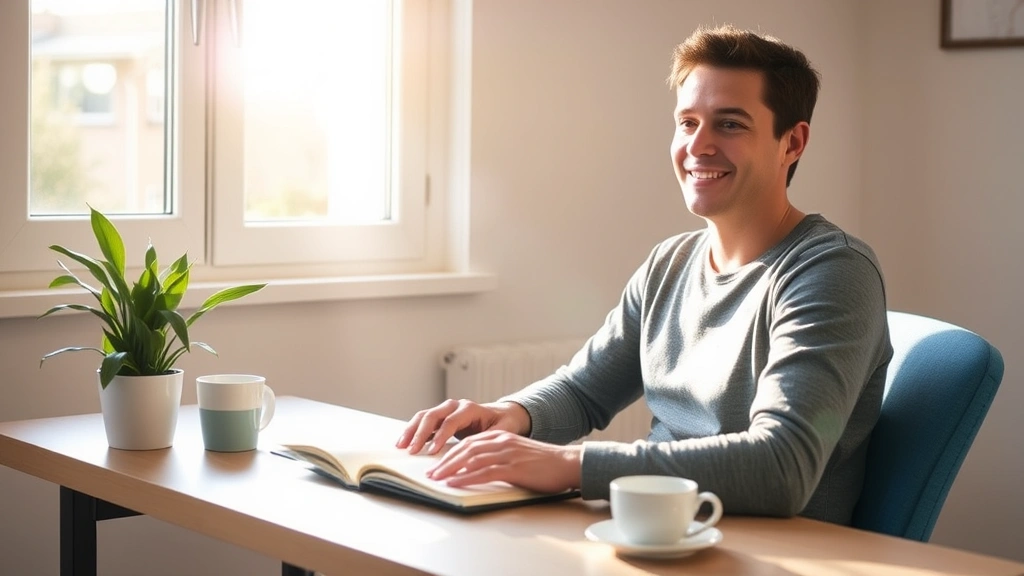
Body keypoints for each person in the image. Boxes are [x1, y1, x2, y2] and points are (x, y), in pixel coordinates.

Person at [396, 24, 892, 525]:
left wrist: (572, 464)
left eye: (731, 124)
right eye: (688, 122)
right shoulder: (669, 264)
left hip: (772, 553)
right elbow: (584, 391)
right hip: (655, 531)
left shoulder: (831, 271)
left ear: (792, 143)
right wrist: (511, 414)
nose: (698, 146)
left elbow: (783, 466)